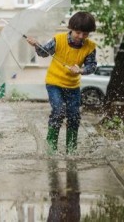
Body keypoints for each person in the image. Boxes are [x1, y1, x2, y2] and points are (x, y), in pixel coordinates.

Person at [26, 11, 97, 154]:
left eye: (85, 34)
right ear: (71, 29)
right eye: (78, 33)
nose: (81, 37)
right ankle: (51, 149)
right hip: (54, 83)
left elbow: (92, 66)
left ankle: (71, 149)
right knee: (58, 111)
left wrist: (81, 70)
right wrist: (36, 44)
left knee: (74, 115)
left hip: (73, 86)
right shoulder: (58, 40)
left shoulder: (90, 47)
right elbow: (43, 53)